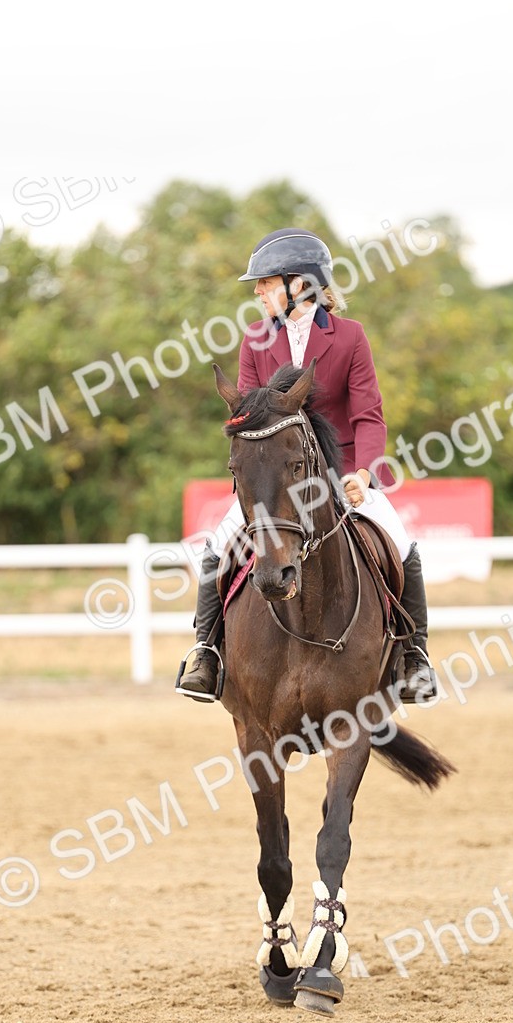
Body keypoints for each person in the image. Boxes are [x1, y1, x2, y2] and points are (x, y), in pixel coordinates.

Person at [175, 227, 437, 704]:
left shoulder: (350, 337)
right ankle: (206, 652)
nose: (257, 292)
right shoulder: (254, 340)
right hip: (276, 480)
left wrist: (363, 475)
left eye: (265, 282)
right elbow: (249, 419)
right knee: (218, 546)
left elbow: (369, 415)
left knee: (400, 543)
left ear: (300, 284)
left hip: (342, 473)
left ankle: (414, 655)